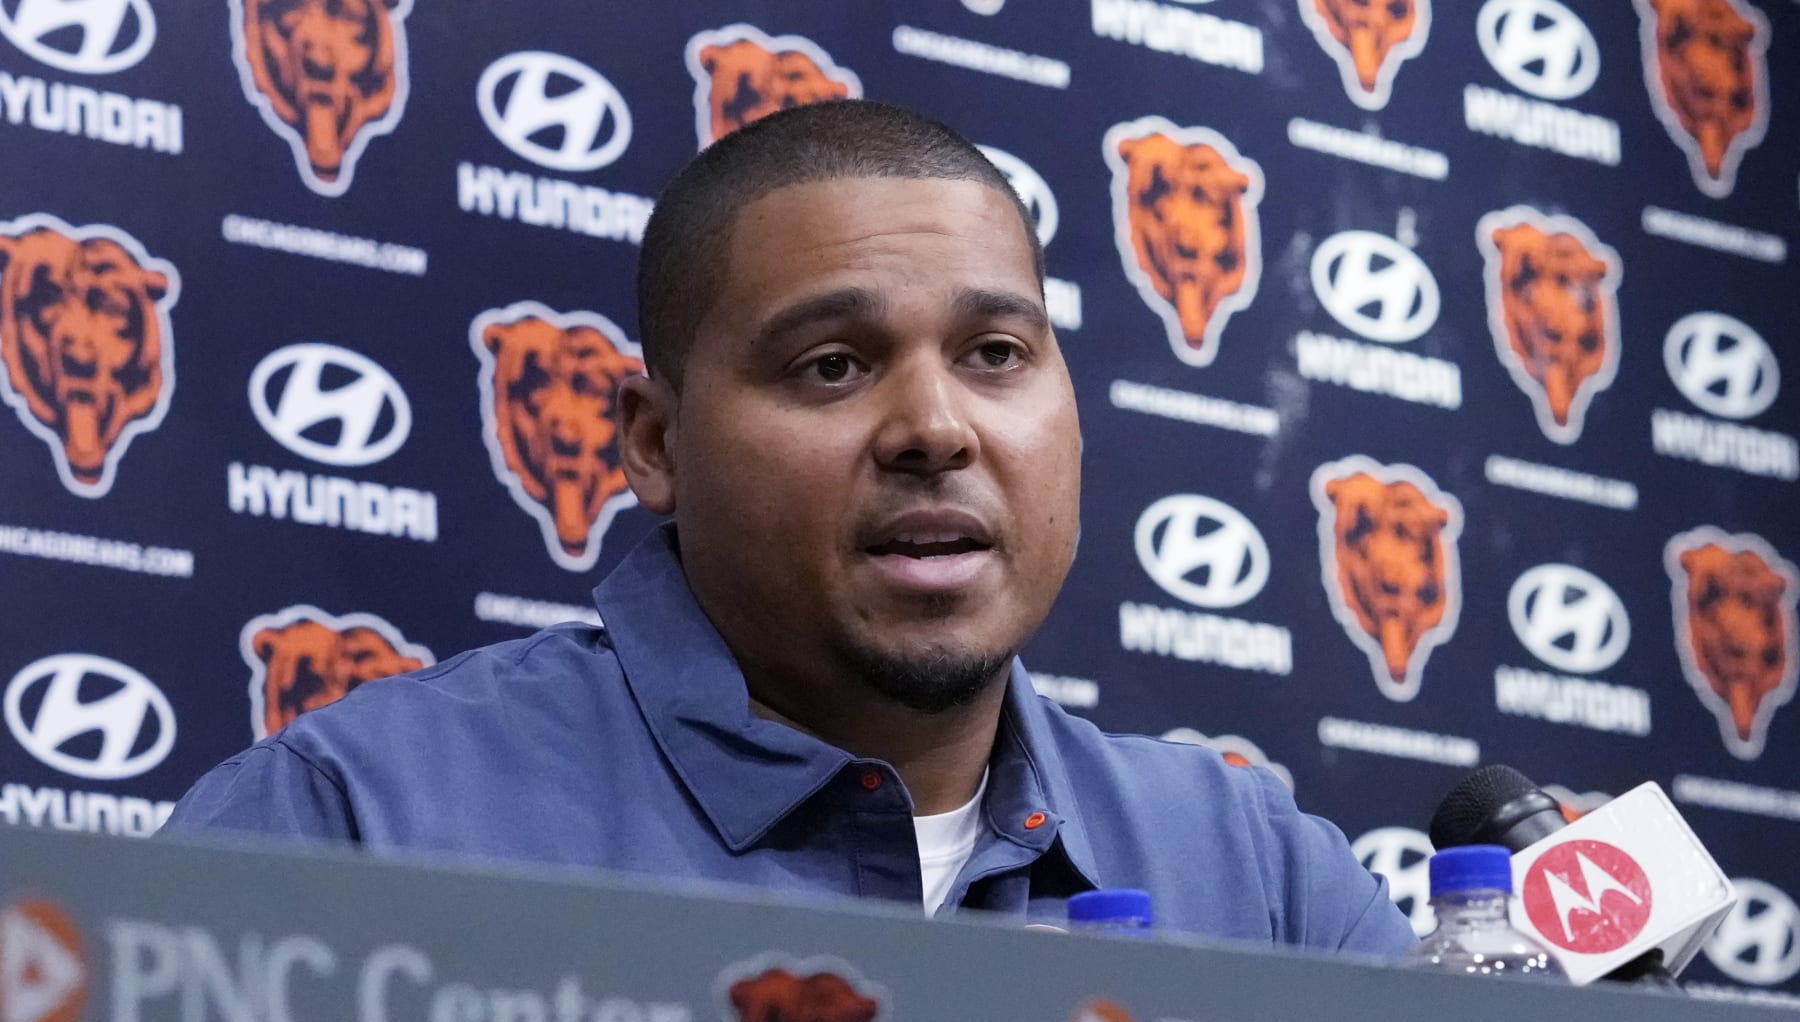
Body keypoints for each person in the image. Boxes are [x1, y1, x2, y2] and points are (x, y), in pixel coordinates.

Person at [167, 100, 1415, 954]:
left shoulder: (1263, 883)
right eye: (831, 366)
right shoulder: (356, 830)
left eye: (995, 354)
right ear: (656, 444)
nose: (935, 426)